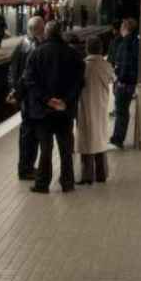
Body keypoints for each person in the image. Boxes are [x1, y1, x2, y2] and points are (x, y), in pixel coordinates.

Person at [23, 21, 85, 194]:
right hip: (65, 111)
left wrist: (47, 100)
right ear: (61, 33)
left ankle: (42, 184)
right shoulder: (73, 54)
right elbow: (79, 82)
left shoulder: (36, 54)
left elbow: (29, 81)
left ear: (47, 33)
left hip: (43, 112)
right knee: (66, 149)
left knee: (46, 148)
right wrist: (65, 100)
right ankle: (67, 182)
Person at [7, 16, 44, 180]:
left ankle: (28, 166)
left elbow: (12, 72)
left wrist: (15, 90)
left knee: (30, 135)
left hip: (28, 98)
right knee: (29, 135)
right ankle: (25, 168)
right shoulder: (28, 47)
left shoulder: (23, 45)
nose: (43, 32)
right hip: (29, 100)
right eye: (42, 29)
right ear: (35, 30)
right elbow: (19, 74)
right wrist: (16, 92)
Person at [77, 37, 115, 184]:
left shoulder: (83, 66)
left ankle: (87, 176)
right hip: (102, 107)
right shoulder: (106, 65)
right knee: (100, 140)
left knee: (86, 142)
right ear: (101, 49)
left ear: (87, 49)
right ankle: (102, 174)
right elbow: (113, 78)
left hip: (85, 107)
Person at [110, 18, 140, 149]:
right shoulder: (135, 41)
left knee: (121, 111)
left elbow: (126, 63)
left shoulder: (127, 43)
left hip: (124, 83)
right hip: (129, 82)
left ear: (126, 28)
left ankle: (117, 139)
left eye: (122, 26)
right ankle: (117, 137)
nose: (121, 28)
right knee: (122, 111)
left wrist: (120, 79)